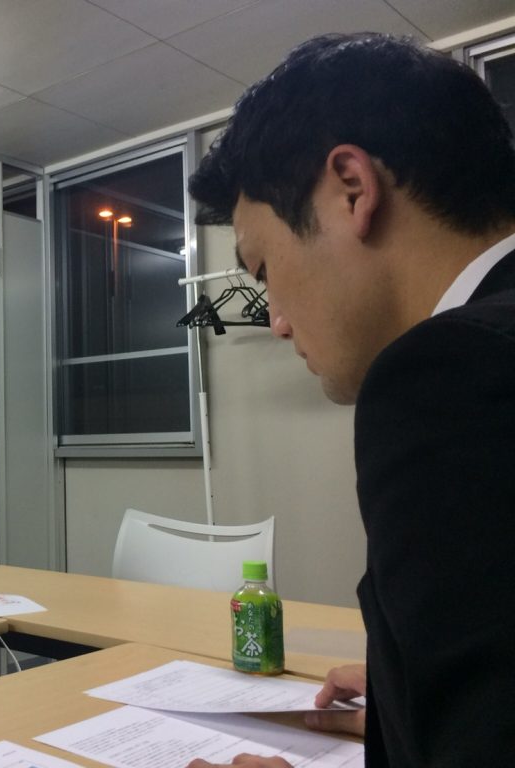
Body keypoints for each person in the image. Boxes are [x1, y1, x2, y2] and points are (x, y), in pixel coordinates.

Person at [184, 32, 515, 767]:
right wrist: (415, 704)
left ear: (352, 190)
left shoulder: (450, 373)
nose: (274, 320)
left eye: (263, 270)